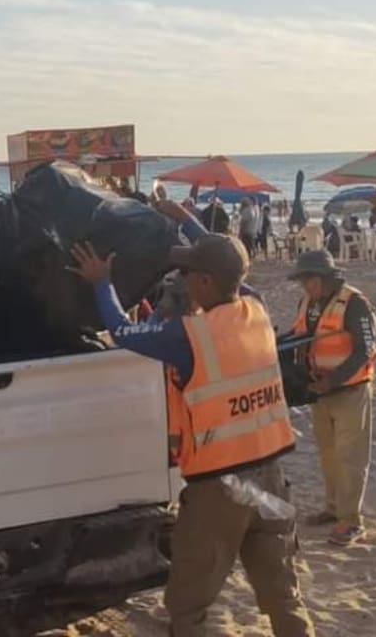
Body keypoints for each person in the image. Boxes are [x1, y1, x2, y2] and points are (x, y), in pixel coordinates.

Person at [68, 201, 315, 637]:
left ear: (204, 281)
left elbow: (123, 332)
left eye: (187, 274)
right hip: (272, 479)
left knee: (189, 605)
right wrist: (184, 219)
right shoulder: (254, 310)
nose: (181, 281)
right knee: (282, 592)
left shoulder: (188, 337)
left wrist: (101, 282)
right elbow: (232, 266)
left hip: (221, 488)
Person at [286, 251, 376, 548]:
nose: (304, 286)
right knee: (328, 453)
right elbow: (299, 334)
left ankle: (351, 521)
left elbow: (364, 350)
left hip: (349, 389)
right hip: (320, 390)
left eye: (307, 280)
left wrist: (332, 381)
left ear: (323, 277)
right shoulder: (308, 302)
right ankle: (333, 507)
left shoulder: (355, 303)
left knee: (351, 456)